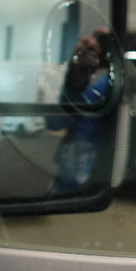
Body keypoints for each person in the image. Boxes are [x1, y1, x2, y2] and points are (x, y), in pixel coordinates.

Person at [50, 28, 113, 193]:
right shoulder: (89, 80)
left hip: (88, 157)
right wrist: (77, 71)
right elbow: (56, 121)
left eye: (101, 43)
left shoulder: (110, 82)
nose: (93, 51)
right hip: (76, 157)